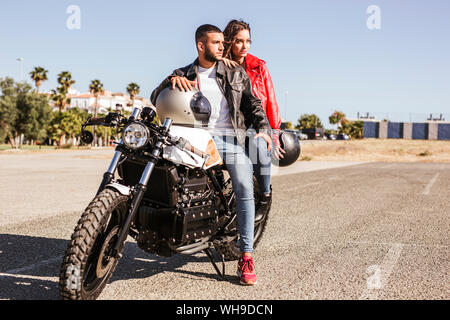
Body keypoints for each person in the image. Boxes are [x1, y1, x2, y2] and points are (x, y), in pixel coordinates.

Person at [150, 24, 272, 286]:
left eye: (222, 42)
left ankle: (246, 256)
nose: (222, 46)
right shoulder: (183, 73)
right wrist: (169, 83)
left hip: (229, 139)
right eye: (216, 43)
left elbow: (253, 104)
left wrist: (263, 130)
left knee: (243, 186)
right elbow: (154, 97)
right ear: (200, 46)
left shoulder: (234, 72)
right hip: (196, 138)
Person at [222, 19, 284, 222]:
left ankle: (265, 196)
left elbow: (271, 101)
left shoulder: (258, 66)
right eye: (239, 41)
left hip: (255, 123)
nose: (245, 46)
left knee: (259, 147)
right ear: (229, 41)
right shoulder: (218, 64)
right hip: (229, 123)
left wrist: (272, 134)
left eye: (248, 41)